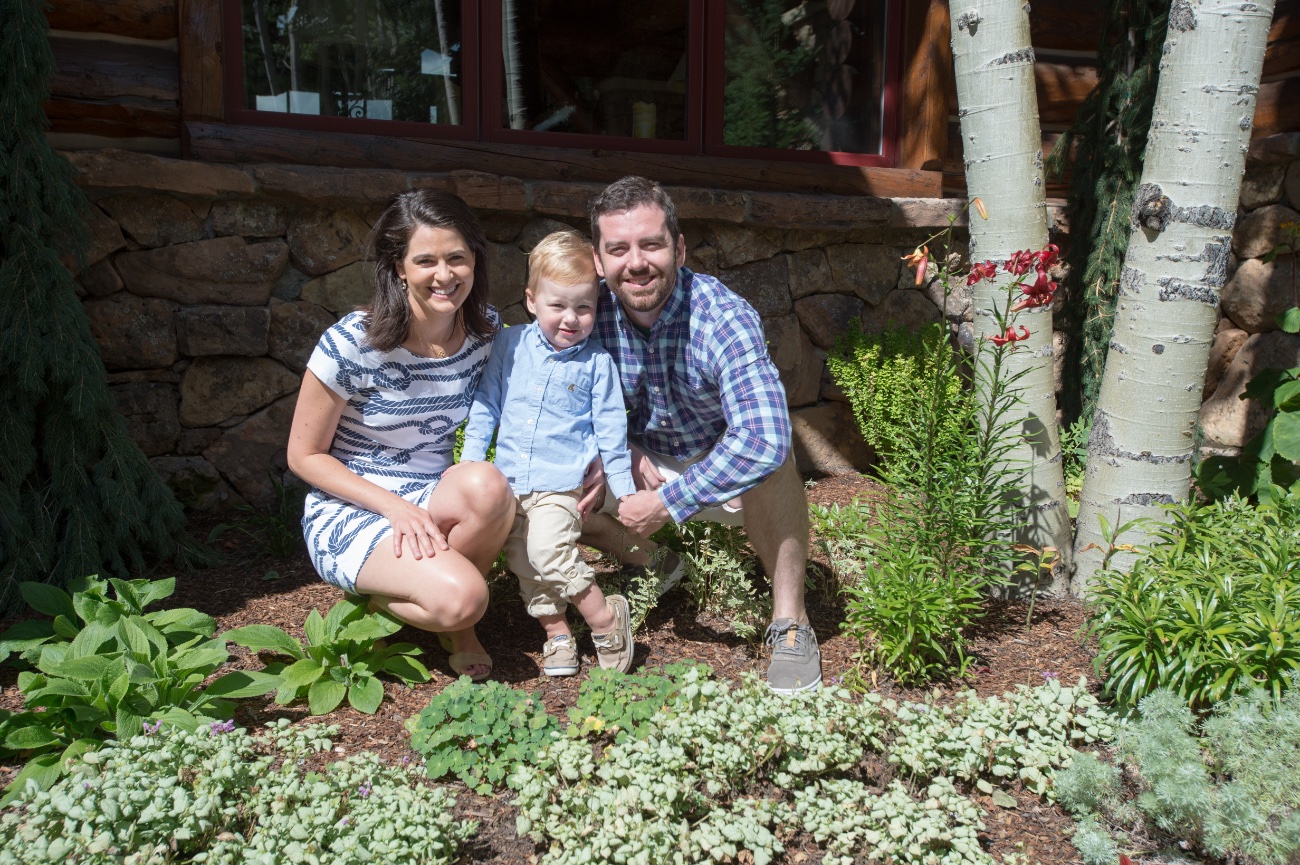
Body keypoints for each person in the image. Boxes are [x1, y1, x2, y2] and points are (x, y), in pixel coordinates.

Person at [579, 176, 821, 694]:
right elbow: (549, 406)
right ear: (599, 261)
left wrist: (669, 502)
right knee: (548, 479)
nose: (636, 262)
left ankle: (790, 623)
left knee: (773, 461)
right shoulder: (585, 314)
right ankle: (659, 565)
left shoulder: (722, 317)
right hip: (640, 466)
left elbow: (762, 437)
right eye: (618, 249)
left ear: (679, 249)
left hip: (721, 471)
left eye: (652, 244)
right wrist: (616, 448)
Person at [287, 189, 516, 683]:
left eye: (457, 258)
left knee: (489, 487)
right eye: (426, 260)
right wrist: (394, 507)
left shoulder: (484, 331)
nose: (445, 274)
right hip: (354, 505)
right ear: (398, 267)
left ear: (474, 260)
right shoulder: (353, 343)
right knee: (466, 599)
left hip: (430, 490)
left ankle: (437, 611)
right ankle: (435, 609)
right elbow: (303, 456)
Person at [457, 231, 637, 677]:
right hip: (509, 483)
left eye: (584, 307)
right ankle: (557, 635)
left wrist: (627, 492)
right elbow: (487, 403)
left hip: (560, 485)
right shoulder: (510, 344)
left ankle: (605, 619)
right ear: (532, 300)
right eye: (558, 306)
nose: (571, 319)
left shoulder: (597, 365)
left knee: (548, 548)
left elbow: (612, 432)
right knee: (524, 564)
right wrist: (471, 463)